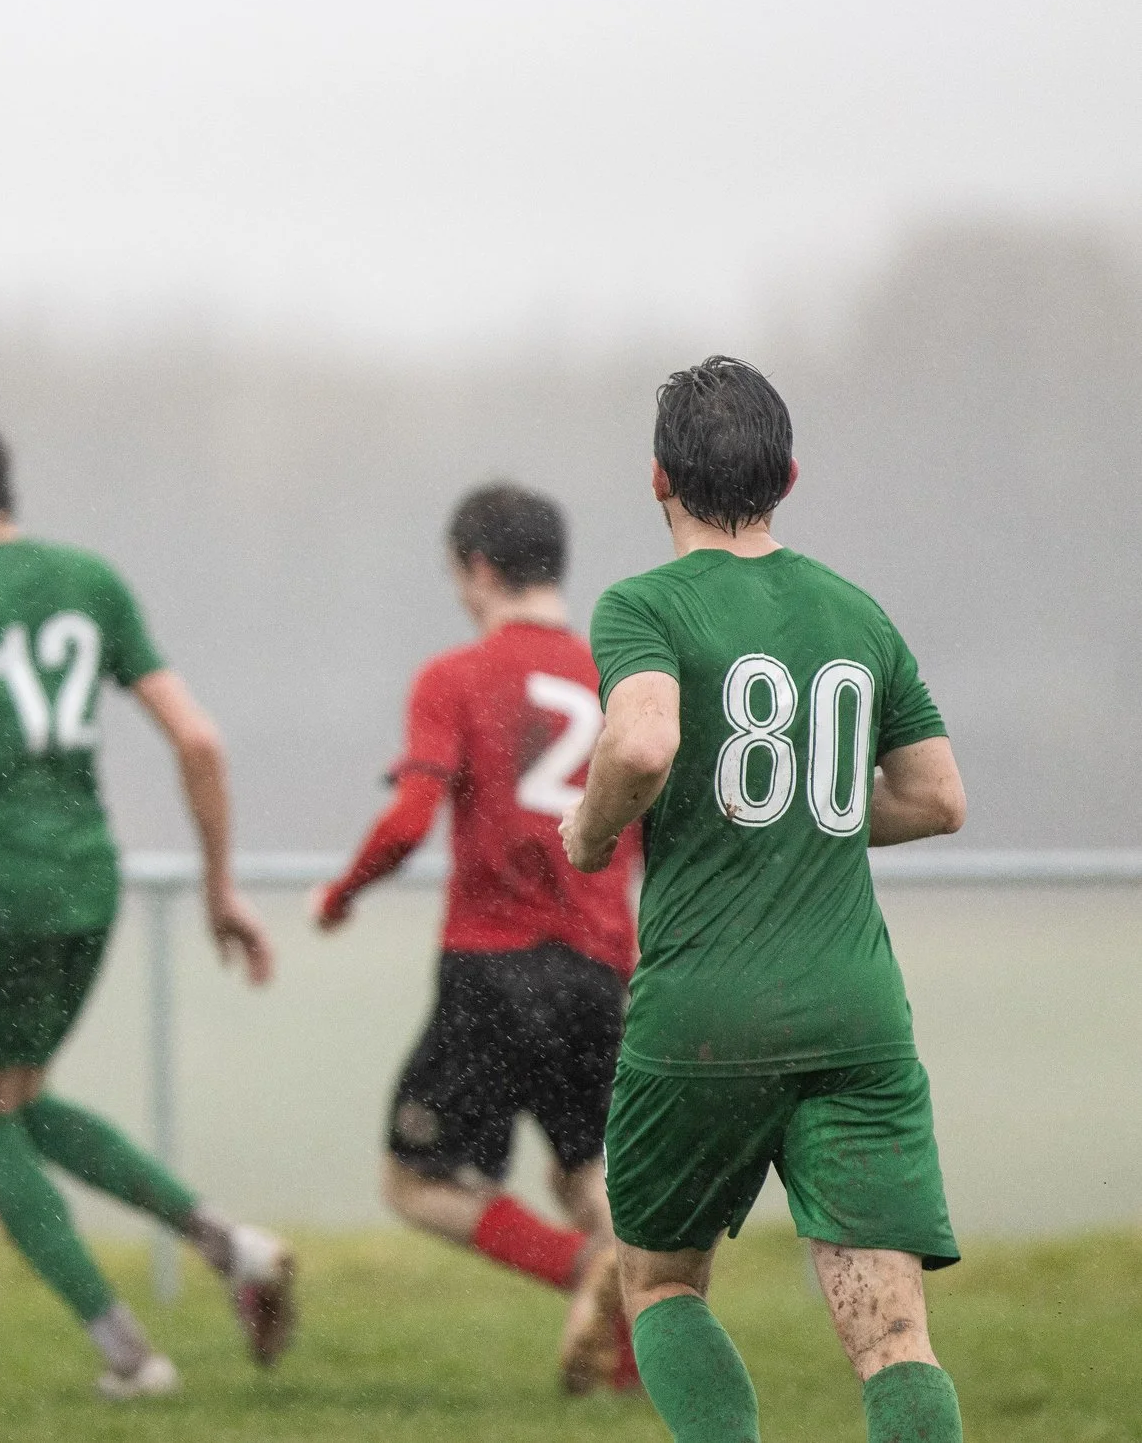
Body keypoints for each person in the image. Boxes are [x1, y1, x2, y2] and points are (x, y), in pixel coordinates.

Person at [0, 404, 295, 1400]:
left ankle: (130, 1352)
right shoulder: (89, 582)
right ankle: (230, 1242)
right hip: (87, 881)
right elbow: (199, 740)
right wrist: (219, 885)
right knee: (21, 1103)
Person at [561, 357, 969, 1443]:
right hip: (855, 1014)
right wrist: (815, 808)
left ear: (658, 479)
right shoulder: (854, 610)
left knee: (659, 1283)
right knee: (891, 1336)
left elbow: (641, 741)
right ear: (788, 473)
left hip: (705, 1012)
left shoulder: (643, 604)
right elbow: (935, 798)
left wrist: (593, 829)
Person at [313, 482, 642, 1394]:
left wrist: (341, 895)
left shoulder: (453, 679)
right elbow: (646, 833)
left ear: (480, 568)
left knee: (413, 1178)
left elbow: (410, 819)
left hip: (492, 969)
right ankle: (635, 1359)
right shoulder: (618, 684)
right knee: (584, 1175)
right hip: (597, 969)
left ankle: (580, 1272)